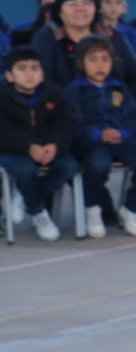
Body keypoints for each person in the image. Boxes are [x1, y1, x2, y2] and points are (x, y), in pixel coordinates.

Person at [64, 35, 136, 238]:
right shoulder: (74, 91)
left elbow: (135, 118)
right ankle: (92, 209)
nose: (100, 65)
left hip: (122, 138)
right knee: (98, 165)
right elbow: (72, 124)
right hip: (92, 142)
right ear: (81, 63)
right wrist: (98, 134)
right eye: (93, 59)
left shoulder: (120, 88)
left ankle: (132, 209)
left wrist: (122, 132)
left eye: (105, 59)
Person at [0, 45, 77, 242]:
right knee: (25, 170)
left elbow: (65, 124)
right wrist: (28, 146)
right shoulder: (2, 97)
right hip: (13, 150)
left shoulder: (54, 94)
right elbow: (4, 131)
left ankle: (26, 198)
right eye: (22, 69)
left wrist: (54, 145)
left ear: (42, 74)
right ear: (9, 75)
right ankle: (38, 212)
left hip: (47, 149)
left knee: (69, 167)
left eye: (35, 68)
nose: (29, 74)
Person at [32, 0, 136, 108]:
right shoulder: (48, 37)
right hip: (64, 111)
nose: (80, 9)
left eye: (87, 3)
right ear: (59, 11)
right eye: (72, 4)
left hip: (115, 110)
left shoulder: (112, 36)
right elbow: (44, 81)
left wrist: (121, 107)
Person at [97, 0, 136, 64]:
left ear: (123, 8)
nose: (113, 7)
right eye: (108, 2)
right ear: (99, 8)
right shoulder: (93, 30)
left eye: (118, 2)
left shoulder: (131, 33)